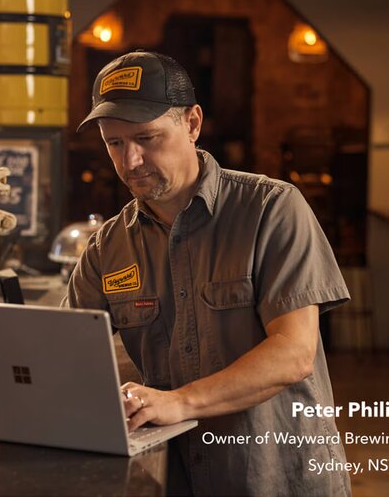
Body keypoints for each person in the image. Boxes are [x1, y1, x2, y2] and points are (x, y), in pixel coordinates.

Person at [63, 50, 352, 496]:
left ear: (193, 124)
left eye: (147, 138)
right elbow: (64, 356)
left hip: (275, 477)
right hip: (176, 479)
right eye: (115, 143)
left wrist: (178, 401)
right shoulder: (107, 247)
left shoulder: (271, 209)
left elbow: (295, 353)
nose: (131, 160)